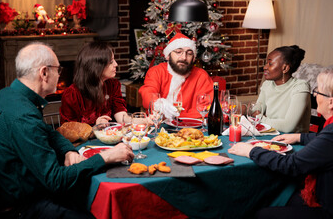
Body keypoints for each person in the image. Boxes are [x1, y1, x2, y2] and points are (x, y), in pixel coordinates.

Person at [0, 42, 134, 219]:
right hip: (21, 206)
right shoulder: (23, 117)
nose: (59, 75)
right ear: (44, 73)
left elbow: (48, 132)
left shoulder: (9, 95)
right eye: (58, 70)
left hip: (17, 185)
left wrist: (67, 150)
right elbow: (56, 181)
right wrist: (106, 157)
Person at [228, 68, 333, 219]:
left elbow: (291, 165)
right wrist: (299, 137)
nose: (315, 95)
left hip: (326, 207)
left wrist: (250, 151)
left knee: (260, 213)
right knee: (273, 194)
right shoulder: (329, 130)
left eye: (318, 91)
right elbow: (323, 140)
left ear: (331, 102)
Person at [139, 33, 214, 119]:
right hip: (158, 125)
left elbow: (207, 108)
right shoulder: (156, 71)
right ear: (168, 56)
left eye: (189, 53)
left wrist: (177, 116)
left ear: (193, 58)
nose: (184, 57)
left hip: (189, 128)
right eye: (178, 52)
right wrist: (160, 104)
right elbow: (148, 93)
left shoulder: (201, 76)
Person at [60, 41, 129, 126]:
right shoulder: (72, 94)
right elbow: (68, 131)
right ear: (96, 66)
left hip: (106, 137)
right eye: (111, 62)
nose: (116, 64)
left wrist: (140, 120)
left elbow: (121, 117)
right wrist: (94, 128)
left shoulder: (113, 85)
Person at [256, 45, 311, 132]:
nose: (265, 67)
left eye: (270, 64)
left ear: (285, 68)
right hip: (271, 136)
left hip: (295, 142)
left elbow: (288, 127)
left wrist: (259, 118)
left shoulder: (300, 87)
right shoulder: (267, 85)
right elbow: (257, 109)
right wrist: (244, 109)